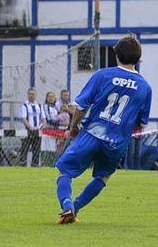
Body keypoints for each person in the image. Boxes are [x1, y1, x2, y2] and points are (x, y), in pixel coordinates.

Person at [55, 34, 151, 224]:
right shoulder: (145, 87)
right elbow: (141, 122)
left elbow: (81, 106)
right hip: (117, 142)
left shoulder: (103, 75)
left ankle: (67, 206)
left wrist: (73, 127)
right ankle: (76, 207)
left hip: (92, 133)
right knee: (103, 177)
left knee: (65, 172)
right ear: (138, 58)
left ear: (116, 54)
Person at [19, 88, 43, 167]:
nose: (31, 96)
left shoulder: (39, 105)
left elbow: (43, 118)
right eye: (30, 94)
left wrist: (40, 127)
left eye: (33, 94)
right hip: (27, 130)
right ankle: (23, 164)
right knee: (25, 148)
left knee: (36, 149)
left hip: (38, 130)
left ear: (36, 95)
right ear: (27, 95)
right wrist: (30, 127)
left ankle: (35, 165)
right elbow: (23, 118)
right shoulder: (25, 105)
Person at [41, 91, 60, 166]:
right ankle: (44, 163)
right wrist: (57, 123)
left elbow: (59, 117)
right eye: (49, 97)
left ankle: (51, 164)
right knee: (45, 147)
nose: (51, 98)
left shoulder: (56, 107)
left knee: (53, 148)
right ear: (46, 98)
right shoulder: (45, 106)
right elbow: (48, 118)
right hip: (47, 130)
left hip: (54, 131)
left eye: (53, 96)